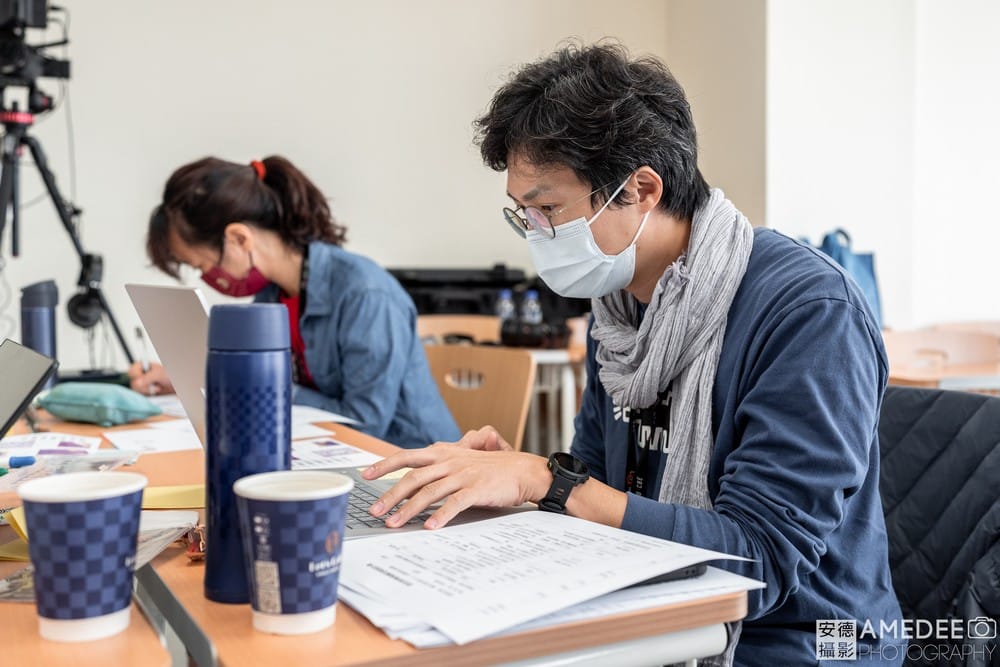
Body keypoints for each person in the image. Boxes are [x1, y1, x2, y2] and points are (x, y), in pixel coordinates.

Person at [361, 43, 905, 664]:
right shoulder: (618, 310)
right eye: (524, 215)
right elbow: (595, 484)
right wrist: (522, 479)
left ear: (642, 189)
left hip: (799, 642)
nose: (537, 234)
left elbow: (758, 562)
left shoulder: (809, 313)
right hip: (650, 612)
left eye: (548, 209)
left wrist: (548, 482)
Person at [129, 155, 460, 448]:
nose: (207, 276)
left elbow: (366, 422)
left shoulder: (366, 295)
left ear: (239, 238)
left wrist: (262, 385)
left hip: (409, 462)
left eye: (203, 264)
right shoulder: (271, 296)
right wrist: (190, 380)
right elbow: (254, 379)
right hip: (336, 457)